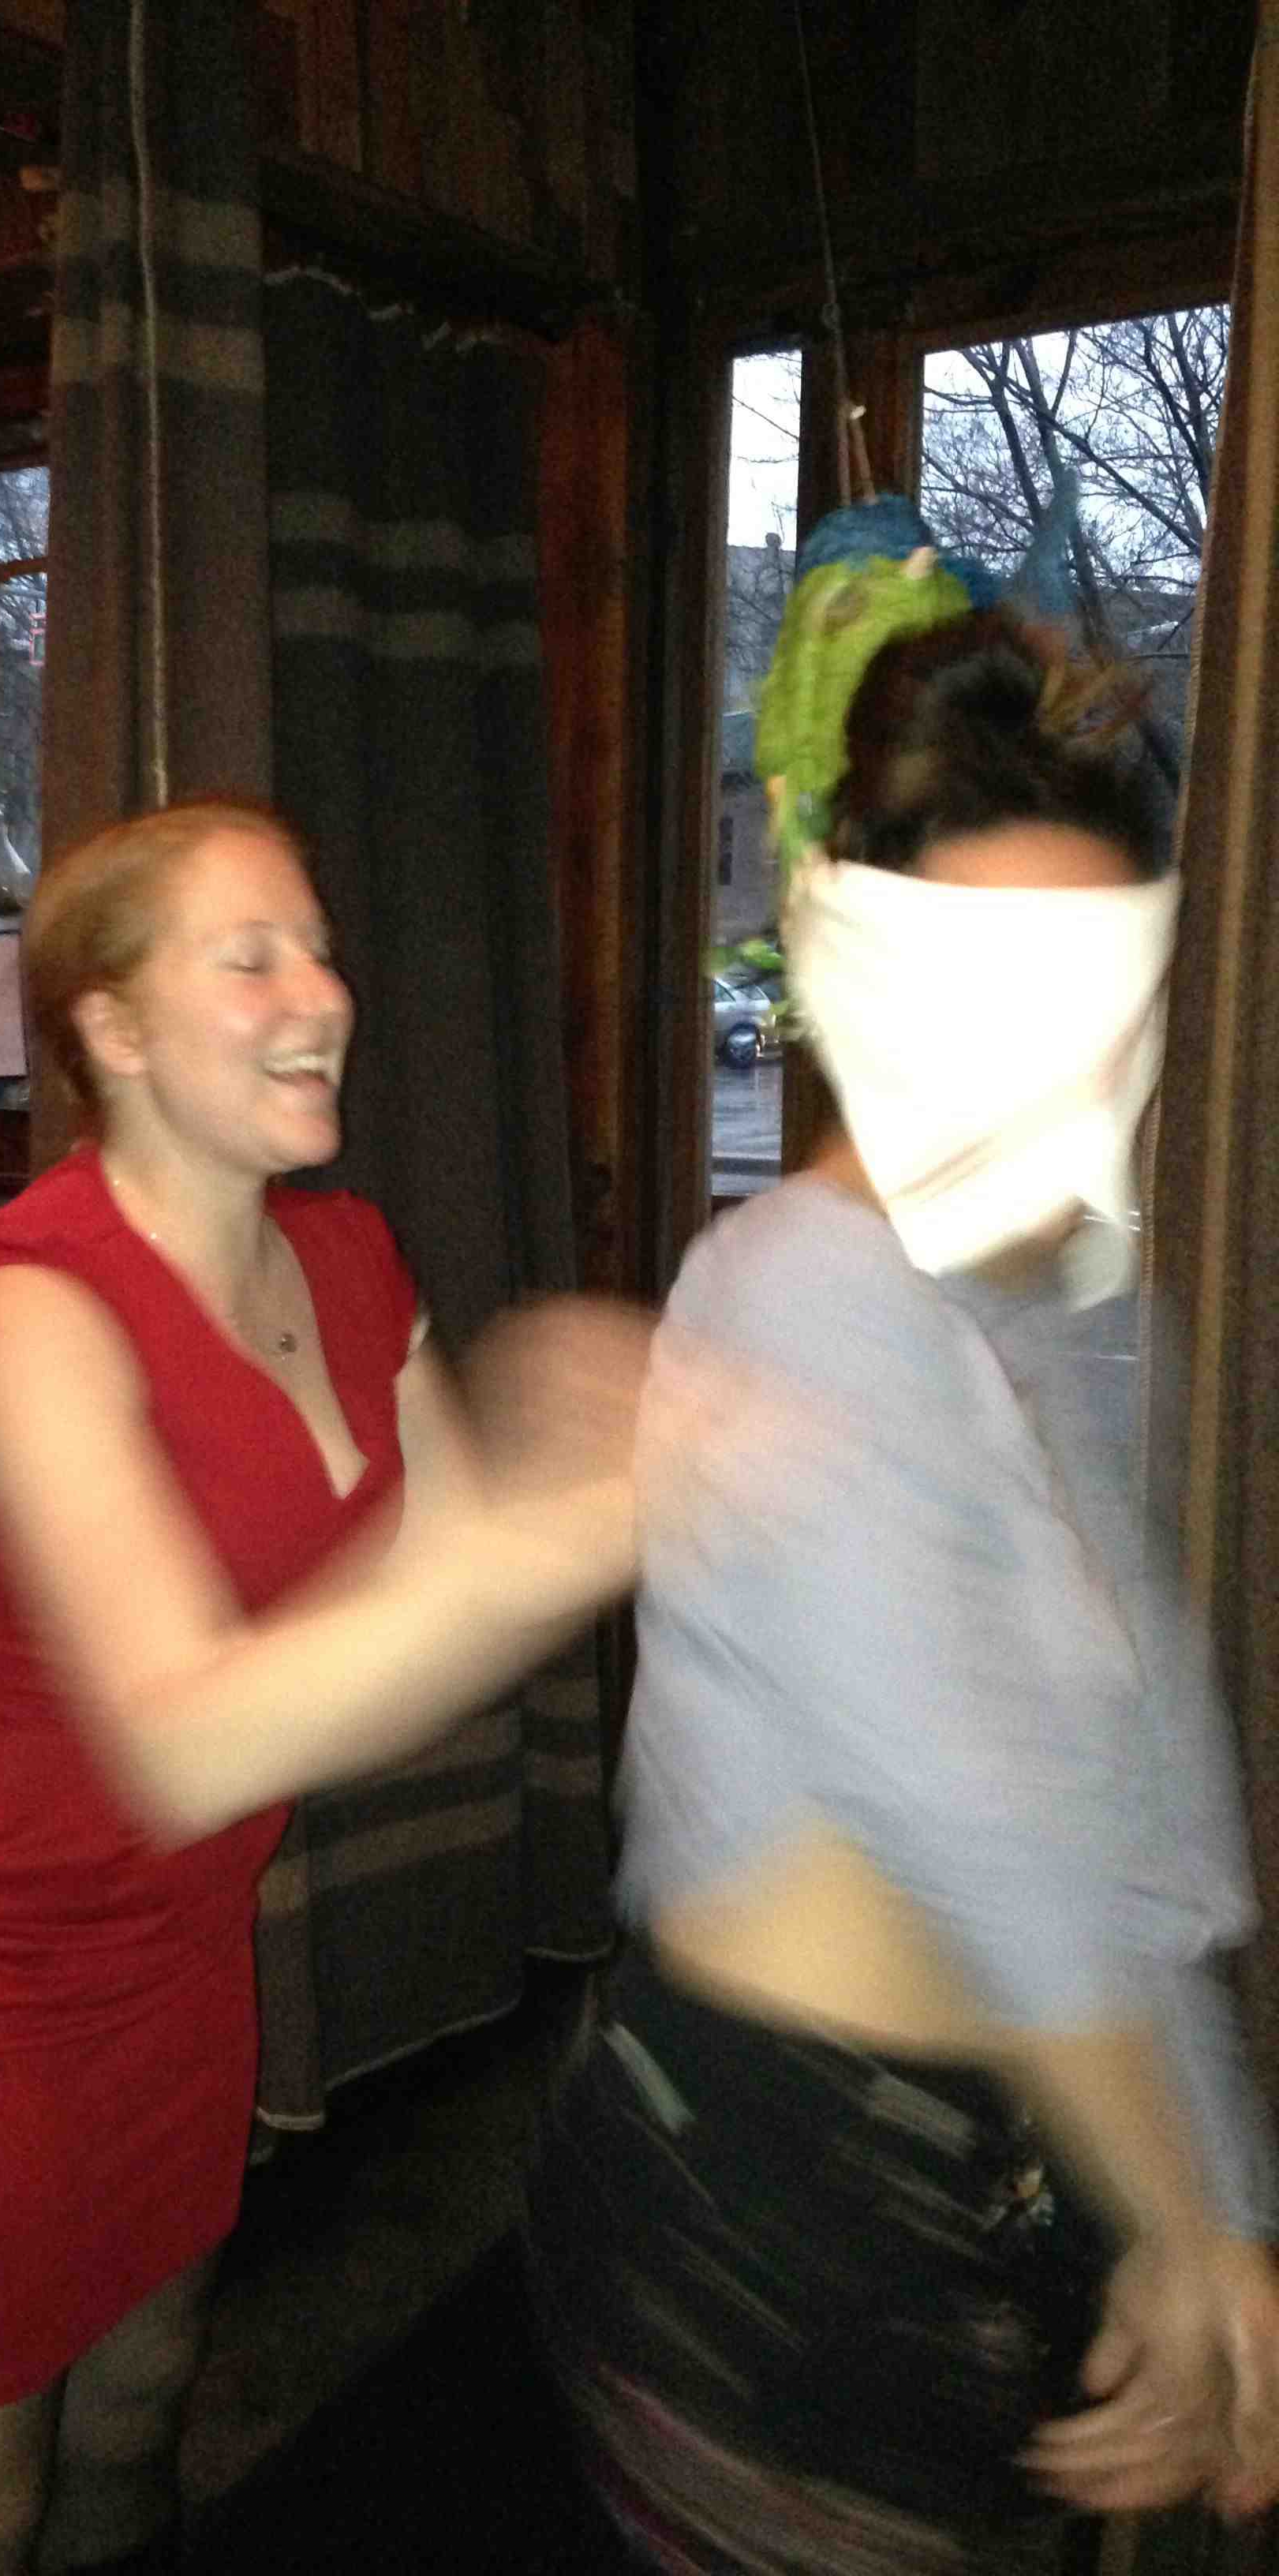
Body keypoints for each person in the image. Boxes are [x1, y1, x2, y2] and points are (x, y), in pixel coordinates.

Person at [0, 797, 649, 2576]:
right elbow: (188, 1736)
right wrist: (582, 1518)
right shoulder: (23, 1311)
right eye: (251, 959)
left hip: (169, 1952)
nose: (323, 995)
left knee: (139, 2411)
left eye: (321, 950)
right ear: (113, 1027)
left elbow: (437, 1593)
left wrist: (578, 1472)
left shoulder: (352, 1256)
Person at [523, 608, 1279, 2574]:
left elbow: (1144, 1811)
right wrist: (1190, 2226)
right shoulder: (793, 1294)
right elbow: (986, 1812)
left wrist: (1210, 2204)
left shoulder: (1082, 1310)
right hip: (760, 2203)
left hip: (1007, 2165)